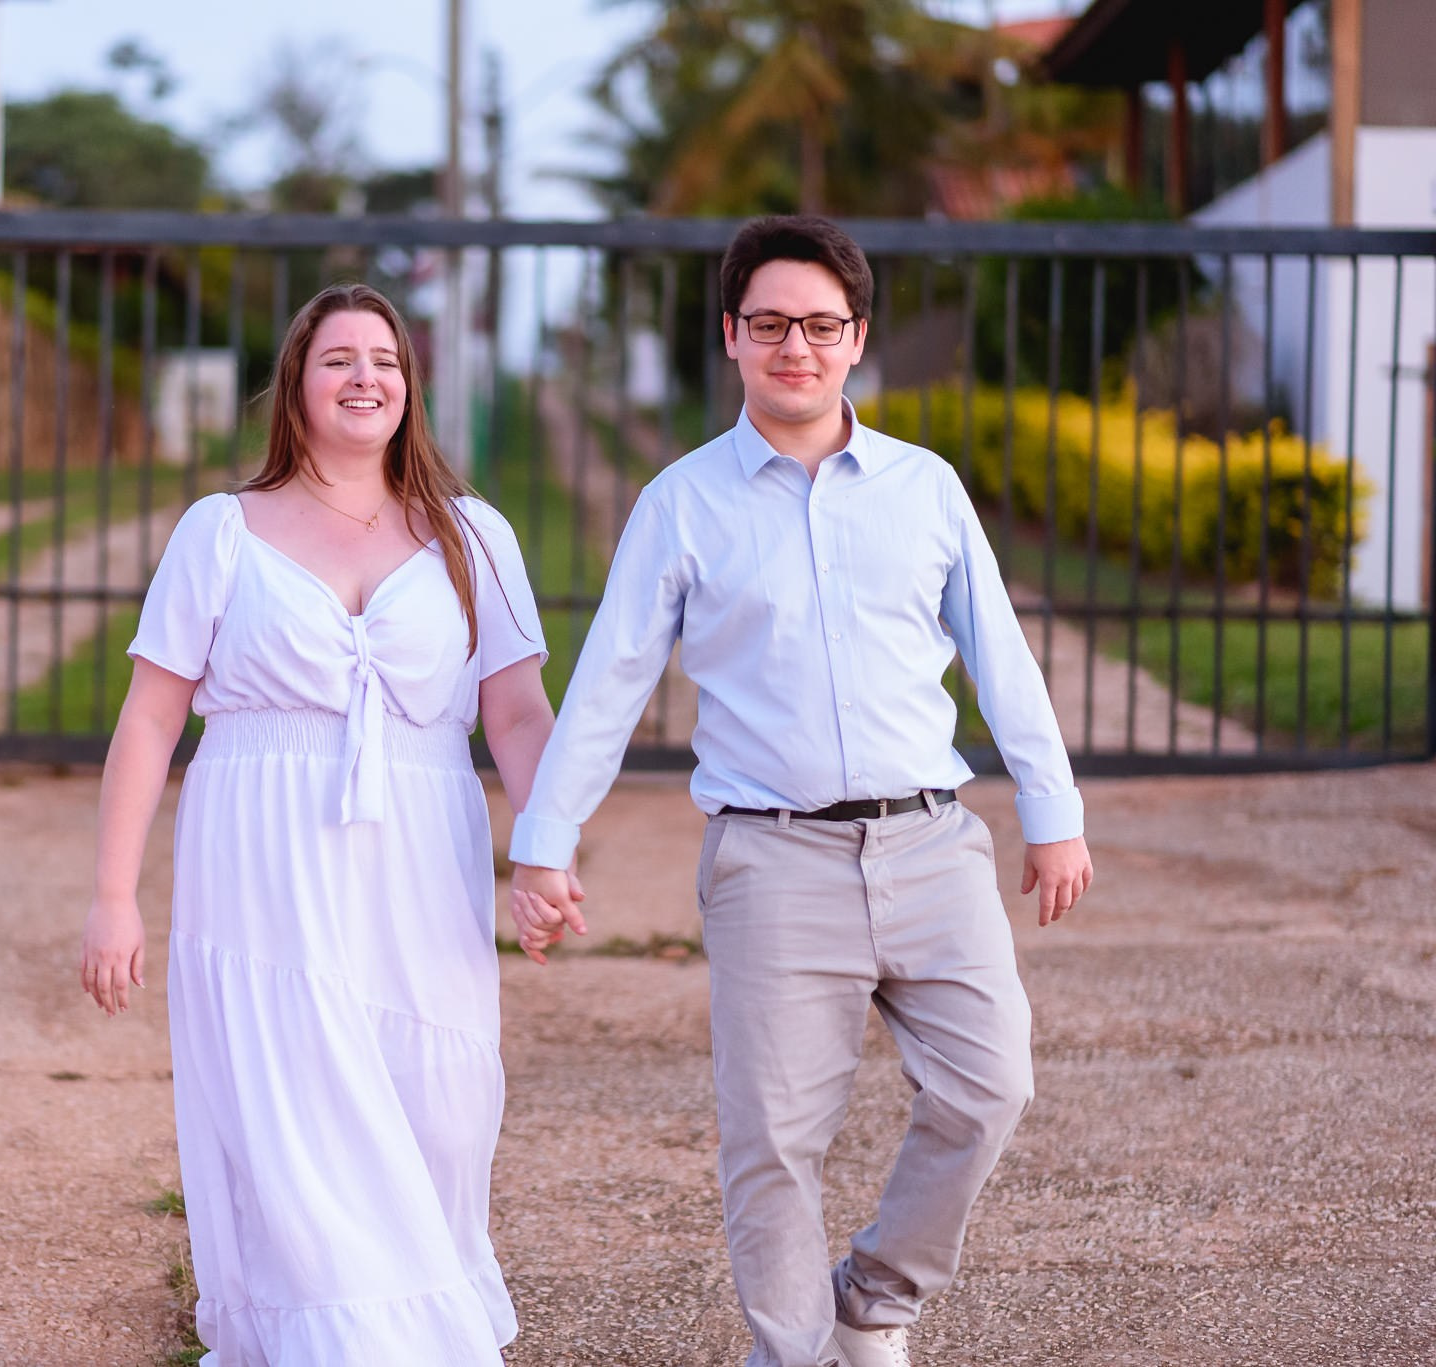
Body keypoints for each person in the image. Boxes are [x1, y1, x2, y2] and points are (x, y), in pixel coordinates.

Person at [507, 216, 1094, 1367]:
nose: (796, 347)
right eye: (769, 324)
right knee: (772, 1142)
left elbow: (999, 654)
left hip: (929, 845)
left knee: (991, 1087)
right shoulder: (680, 503)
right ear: (729, 336)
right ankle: (791, 1351)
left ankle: (871, 1299)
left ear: (854, 339)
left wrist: (1052, 809)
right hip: (770, 861)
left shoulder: (923, 489)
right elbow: (608, 681)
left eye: (820, 326)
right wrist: (543, 842)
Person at [79, 282, 564, 1365]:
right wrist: (114, 897)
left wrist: (545, 846)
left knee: (438, 1101)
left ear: (409, 387)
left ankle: (417, 1309)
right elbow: (150, 716)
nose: (365, 377)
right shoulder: (221, 531)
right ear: (294, 385)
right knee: (294, 1103)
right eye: (338, 357)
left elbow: (519, 710)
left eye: (385, 360)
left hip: (420, 852)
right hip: (260, 853)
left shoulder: (471, 535)